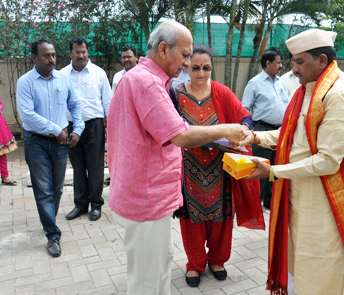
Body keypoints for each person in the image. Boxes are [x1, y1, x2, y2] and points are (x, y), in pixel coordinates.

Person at [107, 20, 249, 295]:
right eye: (185, 56)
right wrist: (227, 129)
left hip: (149, 195)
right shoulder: (147, 83)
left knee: (159, 266)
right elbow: (180, 135)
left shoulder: (144, 80)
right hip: (146, 198)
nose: (187, 64)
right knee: (148, 277)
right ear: (163, 49)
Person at [241, 28, 344, 295]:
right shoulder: (305, 92)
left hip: (325, 200)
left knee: (323, 267)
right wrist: (252, 135)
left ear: (322, 60)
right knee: (301, 263)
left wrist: (273, 171)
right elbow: (289, 135)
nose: (294, 69)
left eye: (300, 62)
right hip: (298, 193)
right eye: (293, 62)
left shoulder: (336, 96)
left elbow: (327, 161)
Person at [169, 44, 264, 288]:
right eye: (196, 68)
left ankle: (218, 260)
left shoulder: (221, 92)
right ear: (187, 67)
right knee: (191, 218)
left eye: (206, 68)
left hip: (220, 169)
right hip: (187, 170)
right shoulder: (175, 94)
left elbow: (244, 115)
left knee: (221, 216)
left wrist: (244, 129)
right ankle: (195, 264)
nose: (201, 73)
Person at [17, 39, 84, 257]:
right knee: (44, 190)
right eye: (46, 55)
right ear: (35, 58)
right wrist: (57, 129)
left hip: (60, 142)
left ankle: (48, 220)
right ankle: (53, 234)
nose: (52, 59)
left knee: (56, 189)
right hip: (36, 141)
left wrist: (78, 129)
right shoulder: (25, 82)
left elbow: (74, 105)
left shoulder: (63, 80)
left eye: (53, 55)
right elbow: (27, 115)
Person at [60, 36, 112, 222]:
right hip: (72, 127)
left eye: (84, 52)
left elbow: (108, 101)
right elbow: (59, 103)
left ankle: (96, 204)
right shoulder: (62, 75)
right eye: (77, 52)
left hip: (94, 126)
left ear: (87, 52)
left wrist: (110, 127)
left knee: (96, 166)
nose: (81, 55)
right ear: (70, 53)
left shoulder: (99, 73)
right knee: (78, 166)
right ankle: (80, 205)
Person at [242, 48, 289, 209]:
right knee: (260, 167)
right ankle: (255, 204)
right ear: (268, 63)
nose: (281, 66)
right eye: (278, 63)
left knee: (274, 167)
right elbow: (245, 108)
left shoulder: (280, 81)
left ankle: (270, 202)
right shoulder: (254, 83)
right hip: (261, 129)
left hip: (279, 130)